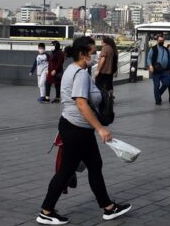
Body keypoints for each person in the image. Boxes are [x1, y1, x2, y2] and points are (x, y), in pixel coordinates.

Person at [36, 36, 131, 225]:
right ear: (83, 53)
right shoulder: (79, 73)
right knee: (66, 171)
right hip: (76, 129)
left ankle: (108, 208)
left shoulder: (74, 69)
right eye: (92, 51)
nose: (95, 55)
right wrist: (100, 128)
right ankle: (46, 211)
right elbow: (80, 103)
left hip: (79, 129)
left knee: (95, 165)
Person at [146, 34, 170, 105]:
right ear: (157, 41)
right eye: (160, 40)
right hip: (156, 70)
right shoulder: (153, 49)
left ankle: (158, 95)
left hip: (165, 71)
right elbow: (149, 58)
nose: (161, 41)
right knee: (157, 85)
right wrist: (150, 66)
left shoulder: (166, 50)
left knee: (166, 83)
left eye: (162, 40)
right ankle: (157, 100)